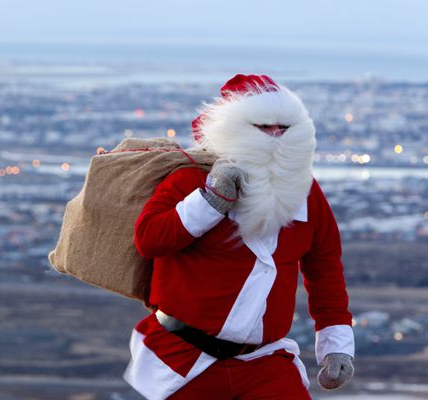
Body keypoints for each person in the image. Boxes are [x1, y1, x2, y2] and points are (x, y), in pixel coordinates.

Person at [123, 74, 355, 399]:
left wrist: (336, 344)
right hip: (182, 361)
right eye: (264, 128)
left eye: (283, 128)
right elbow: (149, 239)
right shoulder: (189, 179)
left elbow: (325, 268)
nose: (275, 137)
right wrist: (209, 202)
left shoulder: (306, 193)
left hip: (264, 363)